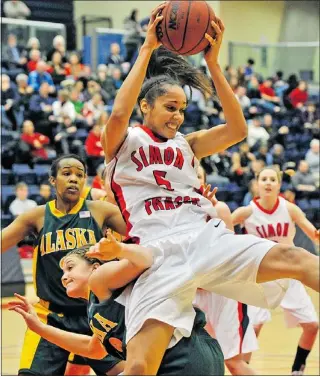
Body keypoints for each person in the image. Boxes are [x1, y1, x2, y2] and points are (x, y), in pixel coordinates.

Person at [101, 4, 319, 375]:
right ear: (145, 106)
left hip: (206, 237)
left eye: (183, 108)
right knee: (139, 367)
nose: (178, 116)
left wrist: (214, 64)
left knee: (295, 258)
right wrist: (147, 49)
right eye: (170, 106)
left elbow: (237, 130)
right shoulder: (123, 141)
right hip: (158, 252)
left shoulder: (188, 143)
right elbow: (119, 114)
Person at [9, 239, 225, 376]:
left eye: (70, 267)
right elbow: (93, 348)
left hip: (184, 356)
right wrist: (39, 328)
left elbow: (146, 260)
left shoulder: (100, 280)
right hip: (196, 355)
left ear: (94, 266)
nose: (64, 277)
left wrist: (120, 249)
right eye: (62, 272)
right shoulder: (95, 305)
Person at [1, 154, 128, 376]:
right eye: (66, 173)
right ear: (52, 180)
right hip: (50, 318)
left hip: (97, 316)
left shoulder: (101, 211)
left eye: (80, 175)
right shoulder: (37, 216)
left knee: (134, 371)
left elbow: (143, 236)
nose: (74, 179)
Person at [231, 167, 319, 375]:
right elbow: (223, 224)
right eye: (264, 179)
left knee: (312, 326)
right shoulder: (247, 212)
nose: (268, 183)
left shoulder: (290, 209)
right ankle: (244, 371)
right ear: (257, 184)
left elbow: (312, 233)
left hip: (288, 274)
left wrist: (317, 234)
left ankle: (297, 370)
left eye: (272, 179)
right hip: (260, 277)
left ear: (279, 185)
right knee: (253, 329)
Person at [194, 166, 258, 375]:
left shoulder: (219, 209)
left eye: (198, 176)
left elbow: (229, 253)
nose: (194, 180)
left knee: (233, 361)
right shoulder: (174, 212)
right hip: (190, 290)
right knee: (194, 358)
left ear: (205, 181)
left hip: (220, 292)